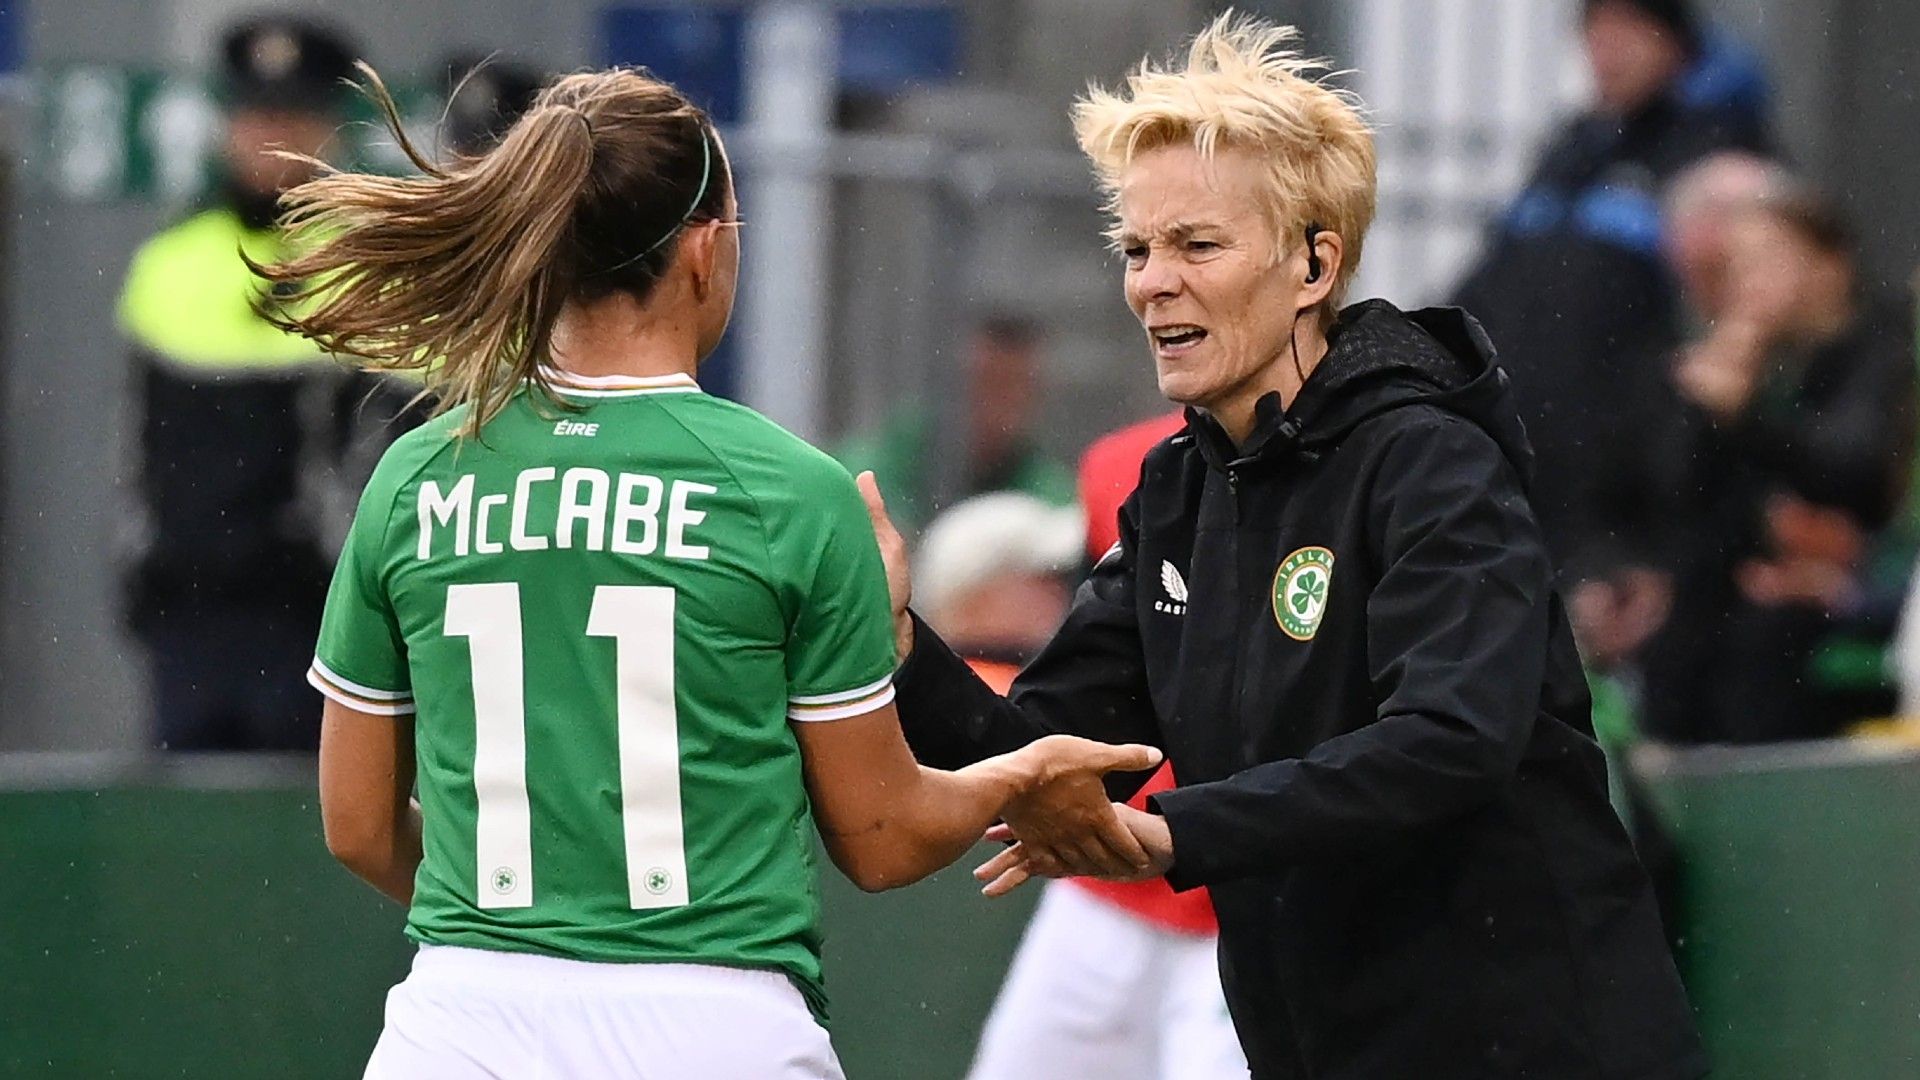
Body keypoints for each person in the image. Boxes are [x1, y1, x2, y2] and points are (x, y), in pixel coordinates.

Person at [258, 67, 1158, 1078]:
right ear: (702, 249)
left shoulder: (419, 474)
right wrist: (1020, 772)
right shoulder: (790, 492)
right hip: (710, 1024)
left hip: (460, 1022)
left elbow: (358, 825)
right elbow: (882, 837)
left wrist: (545, 908)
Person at [859, 15, 1705, 1079]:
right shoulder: (1177, 493)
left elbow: (1450, 742)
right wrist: (893, 638)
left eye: (1197, 244)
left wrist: (1178, 833)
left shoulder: (1429, 463)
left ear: (1314, 263)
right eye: (1137, 248)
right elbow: (1041, 748)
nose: (1151, 281)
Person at [118, 15, 390, 751]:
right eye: (255, 115)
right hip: (191, 609)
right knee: (187, 833)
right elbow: (142, 452)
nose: (271, 140)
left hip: (315, 610)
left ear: (332, 131)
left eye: (294, 117)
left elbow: (377, 445)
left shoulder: (367, 264)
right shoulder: (169, 262)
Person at [964, 415, 1249, 1080]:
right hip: (1106, 879)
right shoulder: (1121, 461)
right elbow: (1098, 667)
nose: (1162, 305)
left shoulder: (1358, 467)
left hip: (1244, 894)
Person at [1452, 0, 1771, 581]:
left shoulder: (1722, 149)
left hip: (1628, 477)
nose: (1608, 50)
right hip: (1521, 448)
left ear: (1674, 39)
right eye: (1595, 31)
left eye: (1629, 30)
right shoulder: (1574, 148)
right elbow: (1490, 277)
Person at [1644, 189, 1916, 743]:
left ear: (1829, 262)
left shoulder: (1883, 345)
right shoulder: (1771, 360)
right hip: (1764, 580)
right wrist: (1717, 396)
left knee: (1762, 648)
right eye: (1738, 268)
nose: (1751, 285)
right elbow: (1680, 494)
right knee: (1679, 637)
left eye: (1768, 260)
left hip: (1868, 584)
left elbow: (1854, 468)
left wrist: (1745, 418)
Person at [836, 313, 1075, 534]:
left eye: (1021, 388)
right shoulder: (887, 458)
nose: (1006, 403)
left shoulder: (1043, 488)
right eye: (993, 384)